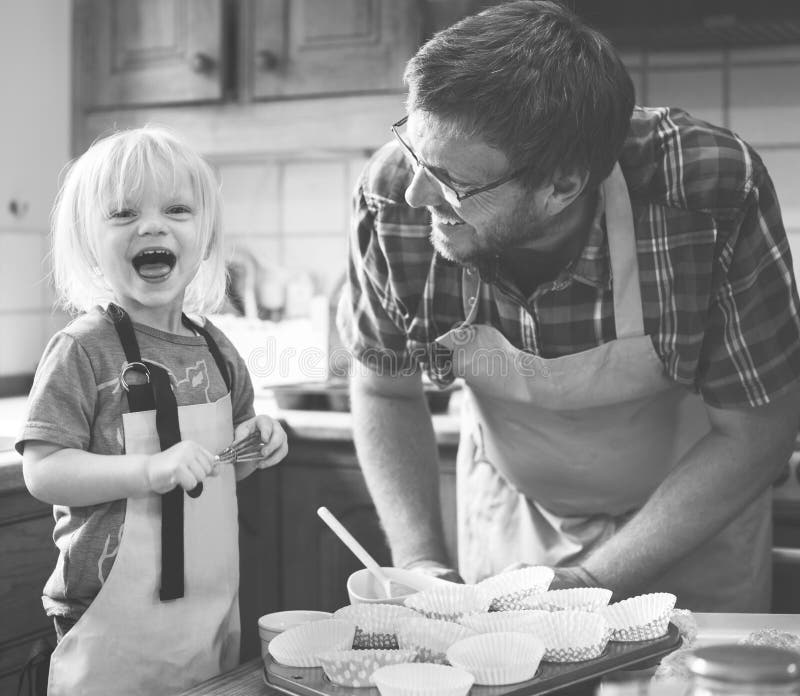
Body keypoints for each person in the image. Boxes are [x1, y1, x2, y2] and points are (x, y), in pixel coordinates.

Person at [337, 0, 800, 612]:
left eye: (453, 183)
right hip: (515, 517)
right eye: (413, 150)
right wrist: (420, 562)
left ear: (562, 184)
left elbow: (760, 429)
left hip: (694, 522)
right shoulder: (396, 196)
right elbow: (383, 389)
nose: (418, 192)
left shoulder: (707, 190)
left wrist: (590, 581)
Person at [17, 125, 288, 696]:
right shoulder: (83, 349)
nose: (152, 225)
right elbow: (43, 471)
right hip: (106, 619)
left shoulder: (218, 349)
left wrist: (257, 442)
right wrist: (148, 471)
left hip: (207, 610)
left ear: (206, 237)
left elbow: (224, 467)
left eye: (177, 209)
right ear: (89, 241)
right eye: (122, 214)